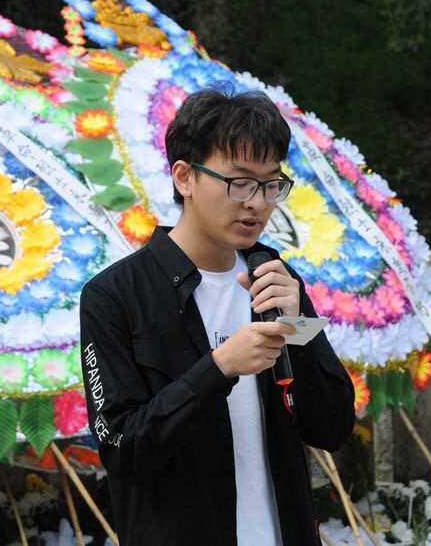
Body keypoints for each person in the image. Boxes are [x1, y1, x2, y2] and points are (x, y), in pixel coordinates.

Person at [79, 86, 355, 546]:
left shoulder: (278, 280)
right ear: (185, 177)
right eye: (240, 183)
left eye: (271, 184)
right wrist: (219, 367)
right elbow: (123, 448)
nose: (257, 202)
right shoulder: (113, 296)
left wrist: (301, 332)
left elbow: (335, 427)